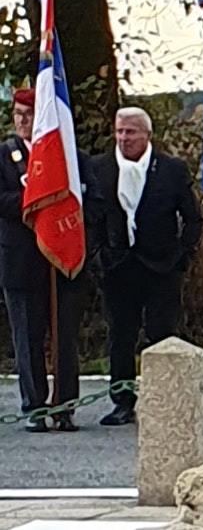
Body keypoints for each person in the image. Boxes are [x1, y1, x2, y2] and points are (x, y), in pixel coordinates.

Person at [83, 105, 203, 425]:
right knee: (120, 336)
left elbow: (193, 217)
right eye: (120, 131)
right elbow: (91, 218)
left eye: (131, 132)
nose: (124, 138)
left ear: (147, 135)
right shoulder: (99, 167)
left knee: (161, 334)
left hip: (162, 266)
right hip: (118, 266)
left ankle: (162, 399)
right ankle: (123, 401)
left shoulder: (171, 169)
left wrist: (183, 255)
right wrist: (97, 256)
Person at [1, 86, 91, 432]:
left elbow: (92, 200)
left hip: (65, 260)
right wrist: (35, 201)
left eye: (30, 114)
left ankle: (65, 405)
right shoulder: (3, 156)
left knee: (65, 338)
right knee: (27, 338)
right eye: (18, 115)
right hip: (21, 261)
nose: (23, 121)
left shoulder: (72, 157)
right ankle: (34, 406)